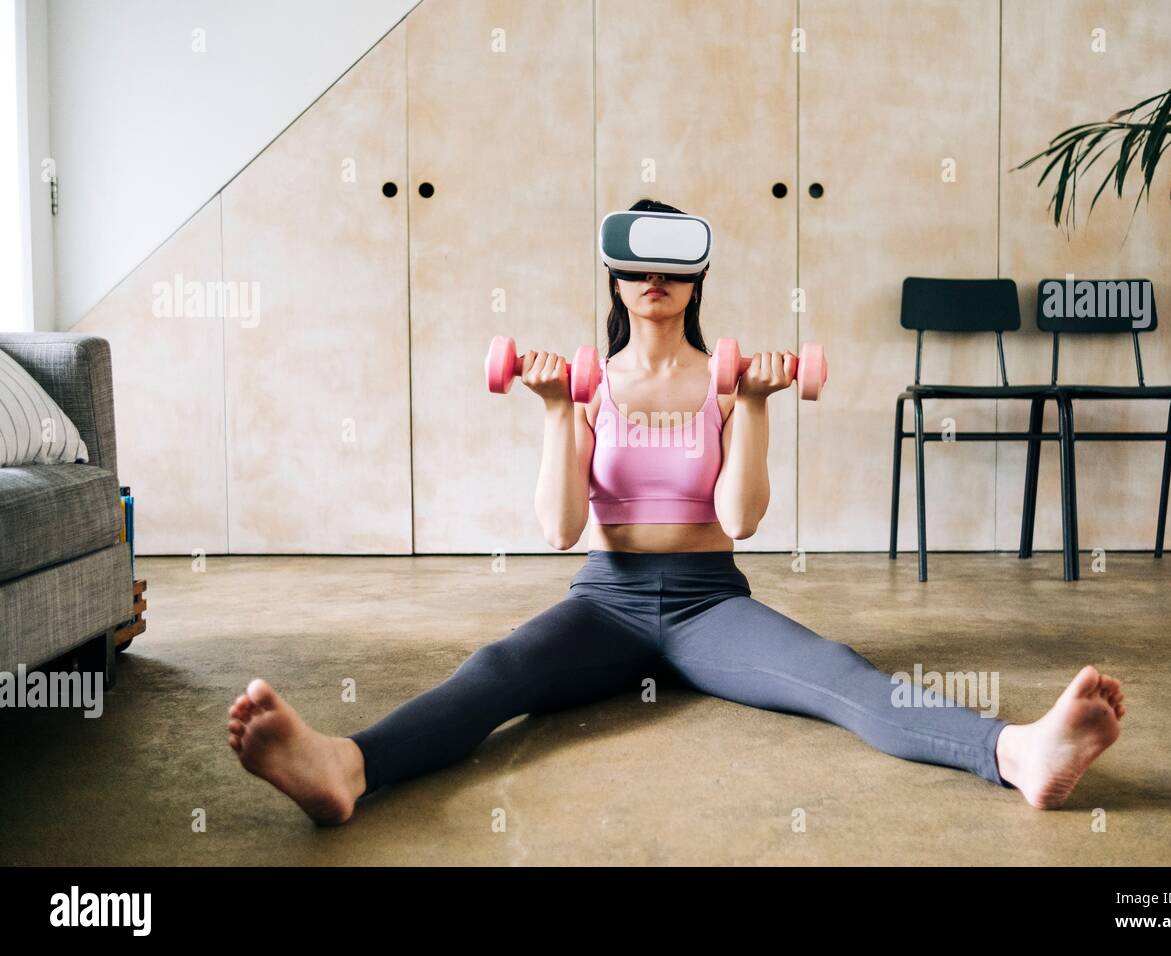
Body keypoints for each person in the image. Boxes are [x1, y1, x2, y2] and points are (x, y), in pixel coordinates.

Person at [227, 199, 1124, 825]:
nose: (653, 276)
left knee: (842, 676)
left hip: (709, 604)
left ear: (695, 279)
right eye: (635, 262)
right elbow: (558, 531)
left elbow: (741, 520)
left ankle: (1015, 753)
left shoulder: (725, 381)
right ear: (615, 278)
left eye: (672, 263)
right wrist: (551, 410)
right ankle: (344, 767)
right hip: (603, 600)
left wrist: (760, 404)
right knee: (498, 671)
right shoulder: (586, 383)